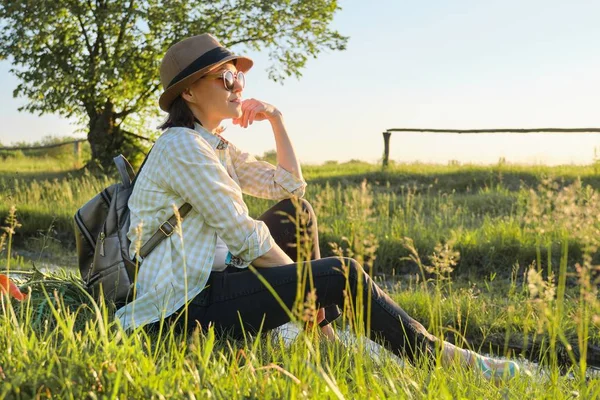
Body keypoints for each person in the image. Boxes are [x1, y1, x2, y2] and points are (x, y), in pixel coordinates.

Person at [115, 33, 519, 381]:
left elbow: (289, 186)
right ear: (188, 92)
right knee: (341, 273)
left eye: (239, 76)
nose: (238, 86)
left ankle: (321, 338)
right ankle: (441, 357)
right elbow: (244, 234)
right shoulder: (183, 146)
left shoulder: (213, 145)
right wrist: (313, 285)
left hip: (211, 280)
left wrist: (276, 119)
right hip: (181, 307)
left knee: (297, 211)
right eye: (226, 77)